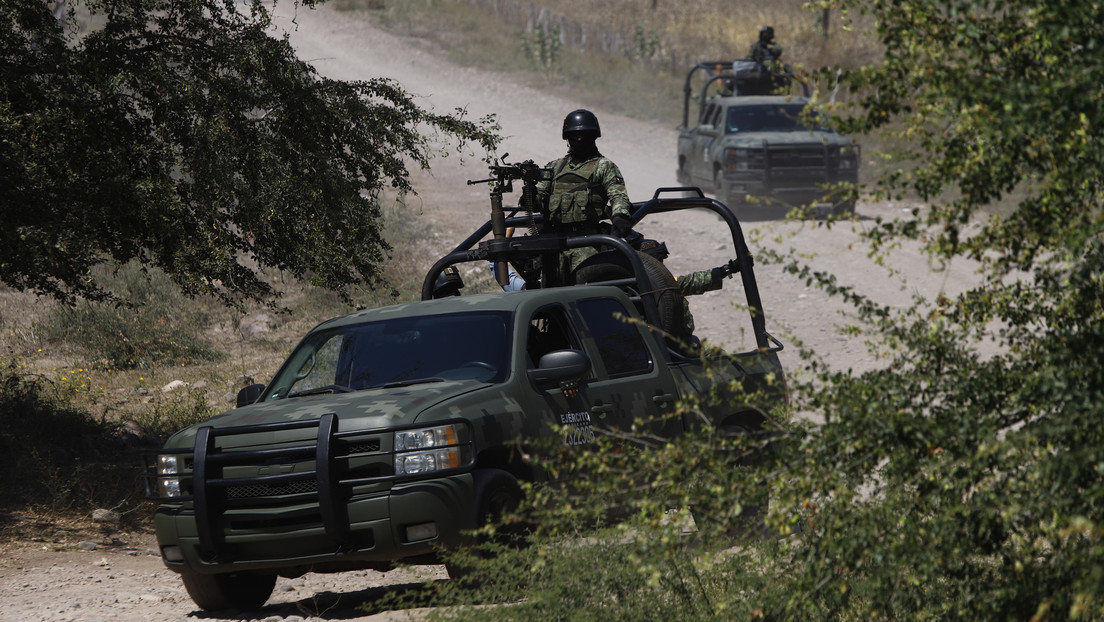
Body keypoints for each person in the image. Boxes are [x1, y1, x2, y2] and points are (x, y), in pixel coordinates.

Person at [534, 109, 633, 285]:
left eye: (583, 136)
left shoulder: (603, 166)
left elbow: (618, 195)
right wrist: (529, 194)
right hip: (555, 243)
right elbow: (539, 197)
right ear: (568, 138)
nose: (579, 141)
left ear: (593, 137)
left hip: (587, 241)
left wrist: (620, 217)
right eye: (574, 137)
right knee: (549, 293)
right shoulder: (555, 167)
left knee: (585, 289)